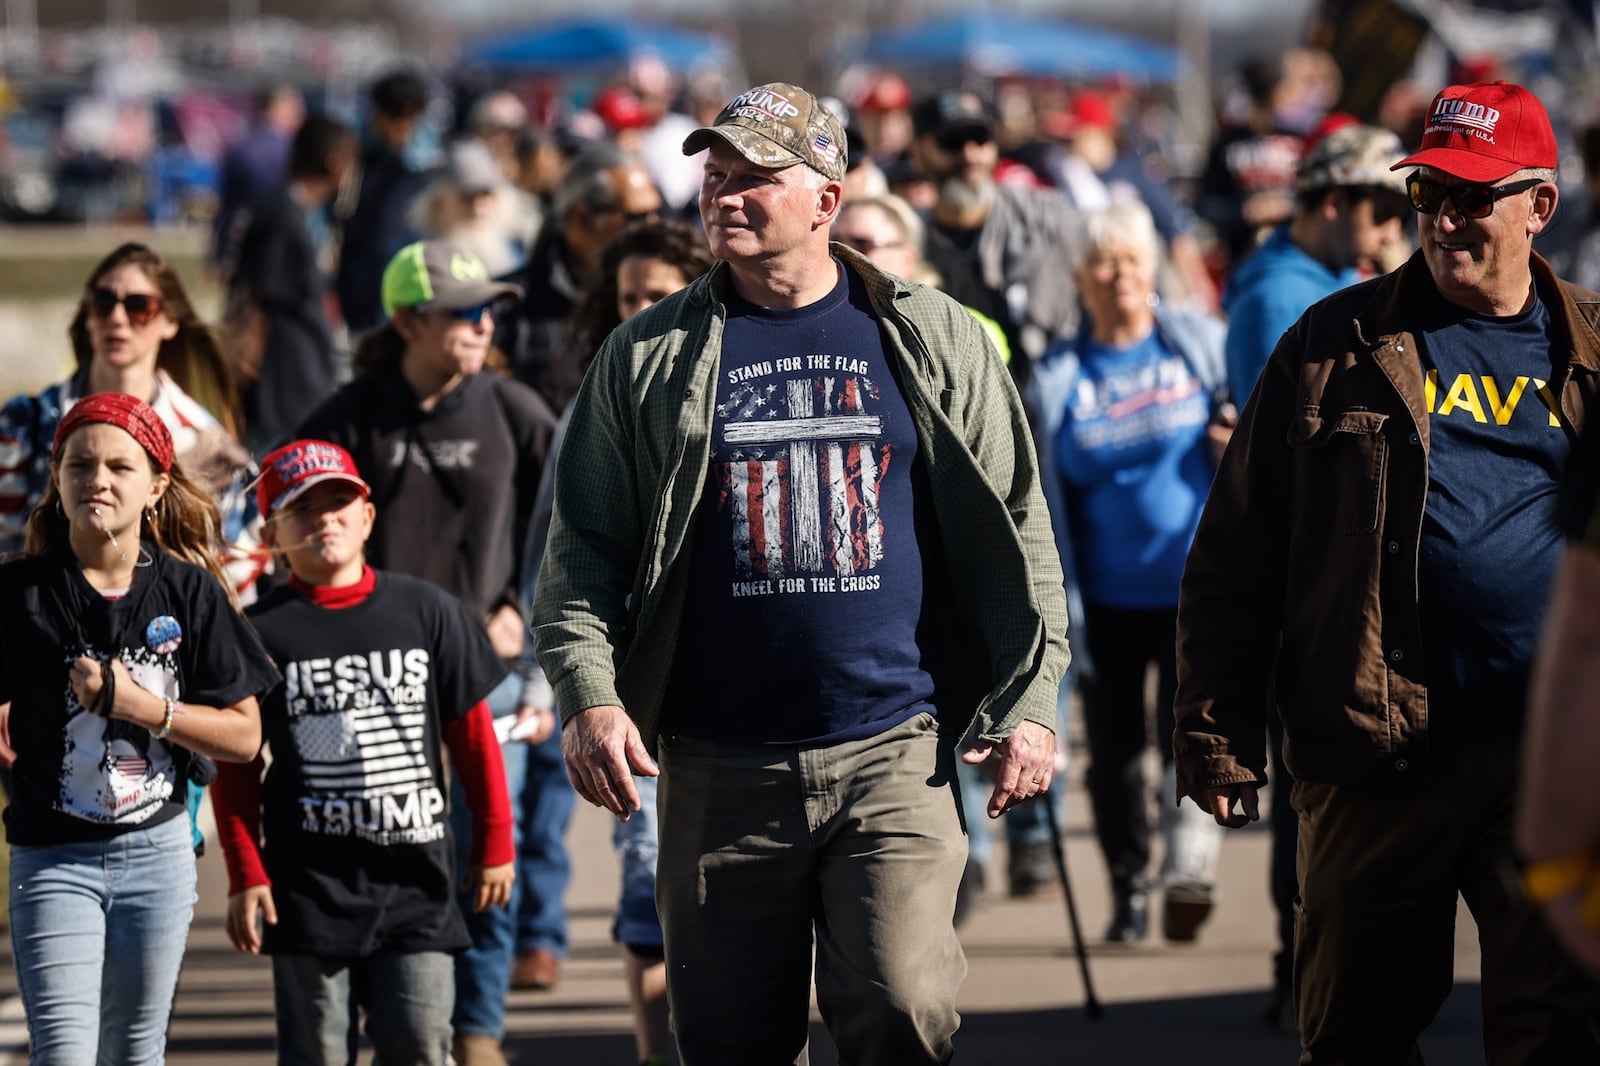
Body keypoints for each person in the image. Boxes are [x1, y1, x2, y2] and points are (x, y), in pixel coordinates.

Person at [532, 81, 1069, 1064]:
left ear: (825, 198)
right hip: (716, 765)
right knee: (733, 1043)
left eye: (755, 179)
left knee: (904, 1009)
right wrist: (591, 697)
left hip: (893, 749)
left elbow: (1022, 528)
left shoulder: (936, 337)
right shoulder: (644, 358)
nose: (722, 196)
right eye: (714, 175)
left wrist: (1032, 698)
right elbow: (580, 558)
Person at [1174, 79, 1600, 1061]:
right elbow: (1237, 551)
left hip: (1544, 756)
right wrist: (1215, 735)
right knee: (1354, 1032)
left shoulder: (1590, 348)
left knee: (1559, 1031)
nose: (1444, 218)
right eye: (1426, 194)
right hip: (1371, 751)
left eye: (1471, 196)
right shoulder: (1332, 344)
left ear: (1539, 205)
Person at [298, 239, 557, 1066]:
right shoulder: (349, 416)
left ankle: (476, 1034)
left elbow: (568, 526)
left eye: (490, 311)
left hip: (490, 676)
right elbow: (281, 513)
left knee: (490, 844)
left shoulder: (515, 411)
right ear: (409, 319)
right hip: (370, 688)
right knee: (388, 857)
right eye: (465, 312)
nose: (484, 325)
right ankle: (399, 1023)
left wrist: (522, 604)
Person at [212, 439, 516, 1066]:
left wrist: (495, 840)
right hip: (309, 890)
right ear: (271, 532)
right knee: (316, 1051)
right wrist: (246, 872)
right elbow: (236, 767)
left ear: (368, 517)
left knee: (421, 1046)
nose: (325, 518)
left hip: (417, 888)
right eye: (302, 508)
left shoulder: (428, 611)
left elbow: (474, 736)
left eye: (339, 502)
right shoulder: (260, 632)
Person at [0, 392, 279, 1064]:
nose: (97, 479)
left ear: (155, 486)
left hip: (156, 856)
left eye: (119, 467)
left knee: (133, 1052)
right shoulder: (17, 594)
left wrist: (142, 707)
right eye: (80, 464)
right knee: (64, 1054)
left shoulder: (190, 592)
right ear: (57, 479)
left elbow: (245, 736)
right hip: (51, 857)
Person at [1219, 120, 1410, 1022]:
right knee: (1311, 786)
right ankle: (1299, 958)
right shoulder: (1281, 301)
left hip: (1334, 582)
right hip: (1300, 577)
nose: (1387, 224)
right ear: (1332, 200)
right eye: (1376, 205)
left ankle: (1312, 954)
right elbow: (1286, 458)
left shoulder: (1333, 279)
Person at [520, 218, 714, 1063]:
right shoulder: (595, 402)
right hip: (638, 690)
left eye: (660, 292)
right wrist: (557, 684)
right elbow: (555, 555)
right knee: (648, 880)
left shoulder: (736, 378)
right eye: (629, 297)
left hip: (736, 685)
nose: (644, 309)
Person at [1031, 200, 1228, 944]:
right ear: (1081, 277)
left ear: (1154, 268)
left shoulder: (1200, 348)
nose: (1120, 277)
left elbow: (1252, 441)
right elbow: (1044, 496)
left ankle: (1189, 868)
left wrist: (1229, 443)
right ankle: (1127, 888)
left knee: (1192, 732)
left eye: (1133, 260)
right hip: (1104, 603)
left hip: (1196, 591)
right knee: (1115, 758)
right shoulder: (1057, 378)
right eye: (1104, 263)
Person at [910, 87, 1084, 376]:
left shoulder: (1045, 218)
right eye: (951, 142)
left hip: (1047, 396)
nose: (970, 155)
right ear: (918, 152)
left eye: (980, 139)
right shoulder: (909, 240)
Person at [495, 143, 663, 411]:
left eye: (657, 213)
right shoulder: (509, 303)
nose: (654, 228)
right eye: (637, 217)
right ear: (582, 217)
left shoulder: (672, 292)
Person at [227, 114, 357, 455]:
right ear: (334, 162)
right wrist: (241, 376)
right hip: (282, 384)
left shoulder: (293, 211)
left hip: (298, 376)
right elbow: (254, 301)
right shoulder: (280, 215)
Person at [336, 66, 432, 337]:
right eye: (394, 117)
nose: (401, 128)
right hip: (360, 285)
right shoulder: (355, 159)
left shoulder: (428, 163)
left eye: (409, 118)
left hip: (412, 285)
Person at [210, 82, 305, 279]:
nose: (301, 112)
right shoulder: (292, 151)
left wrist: (218, 254)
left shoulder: (239, 148)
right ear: (279, 107)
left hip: (240, 247)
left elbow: (226, 206)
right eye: (296, 105)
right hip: (279, 252)